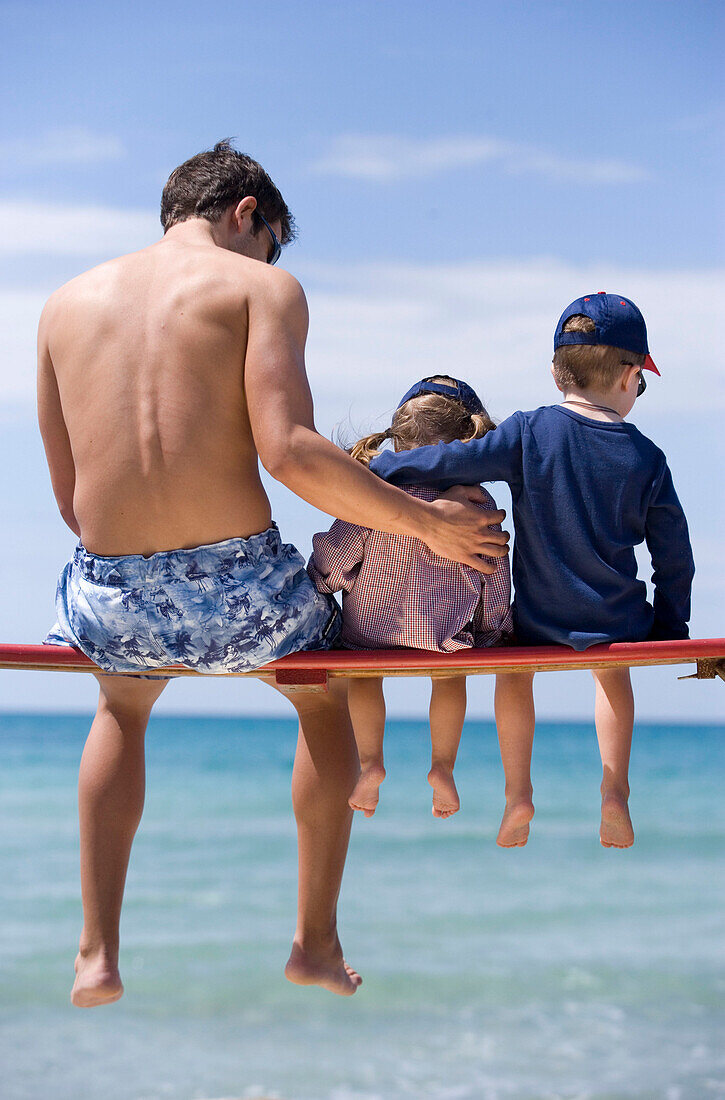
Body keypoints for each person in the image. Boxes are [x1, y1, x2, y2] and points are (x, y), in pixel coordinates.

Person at [36, 140, 510, 1006]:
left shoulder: (63, 304)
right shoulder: (261, 288)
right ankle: (314, 942)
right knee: (321, 689)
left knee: (120, 705)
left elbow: (70, 498)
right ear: (248, 213)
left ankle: (96, 952)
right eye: (270, 241)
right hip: (243, 596)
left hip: (110, 598)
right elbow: (289, 452)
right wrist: (429, 528)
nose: (269, 261)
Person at [370, 293, 695, 850]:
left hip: (538, 622)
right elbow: (675, 557)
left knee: (513, 669)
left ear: (555, 372)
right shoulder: (648, 458)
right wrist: (670, 629)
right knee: (613, 674)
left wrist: (386, 466)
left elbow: (453, 460)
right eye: (641, 383)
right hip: (619, 622)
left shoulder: (529, 433)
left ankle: (518, 792)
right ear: (628, 377)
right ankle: (614, 790)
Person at [307, 376, 513, 818]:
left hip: (370, 634)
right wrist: (493, 630)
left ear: (396, 446)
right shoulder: (479, 504)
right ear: (468, 445)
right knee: (450, 679)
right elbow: (493, 574)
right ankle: (442, 767)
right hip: (444, 637)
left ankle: (370, 763)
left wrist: (322, 582)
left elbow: (336, 555)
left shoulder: (373, 499)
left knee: (362, 679)